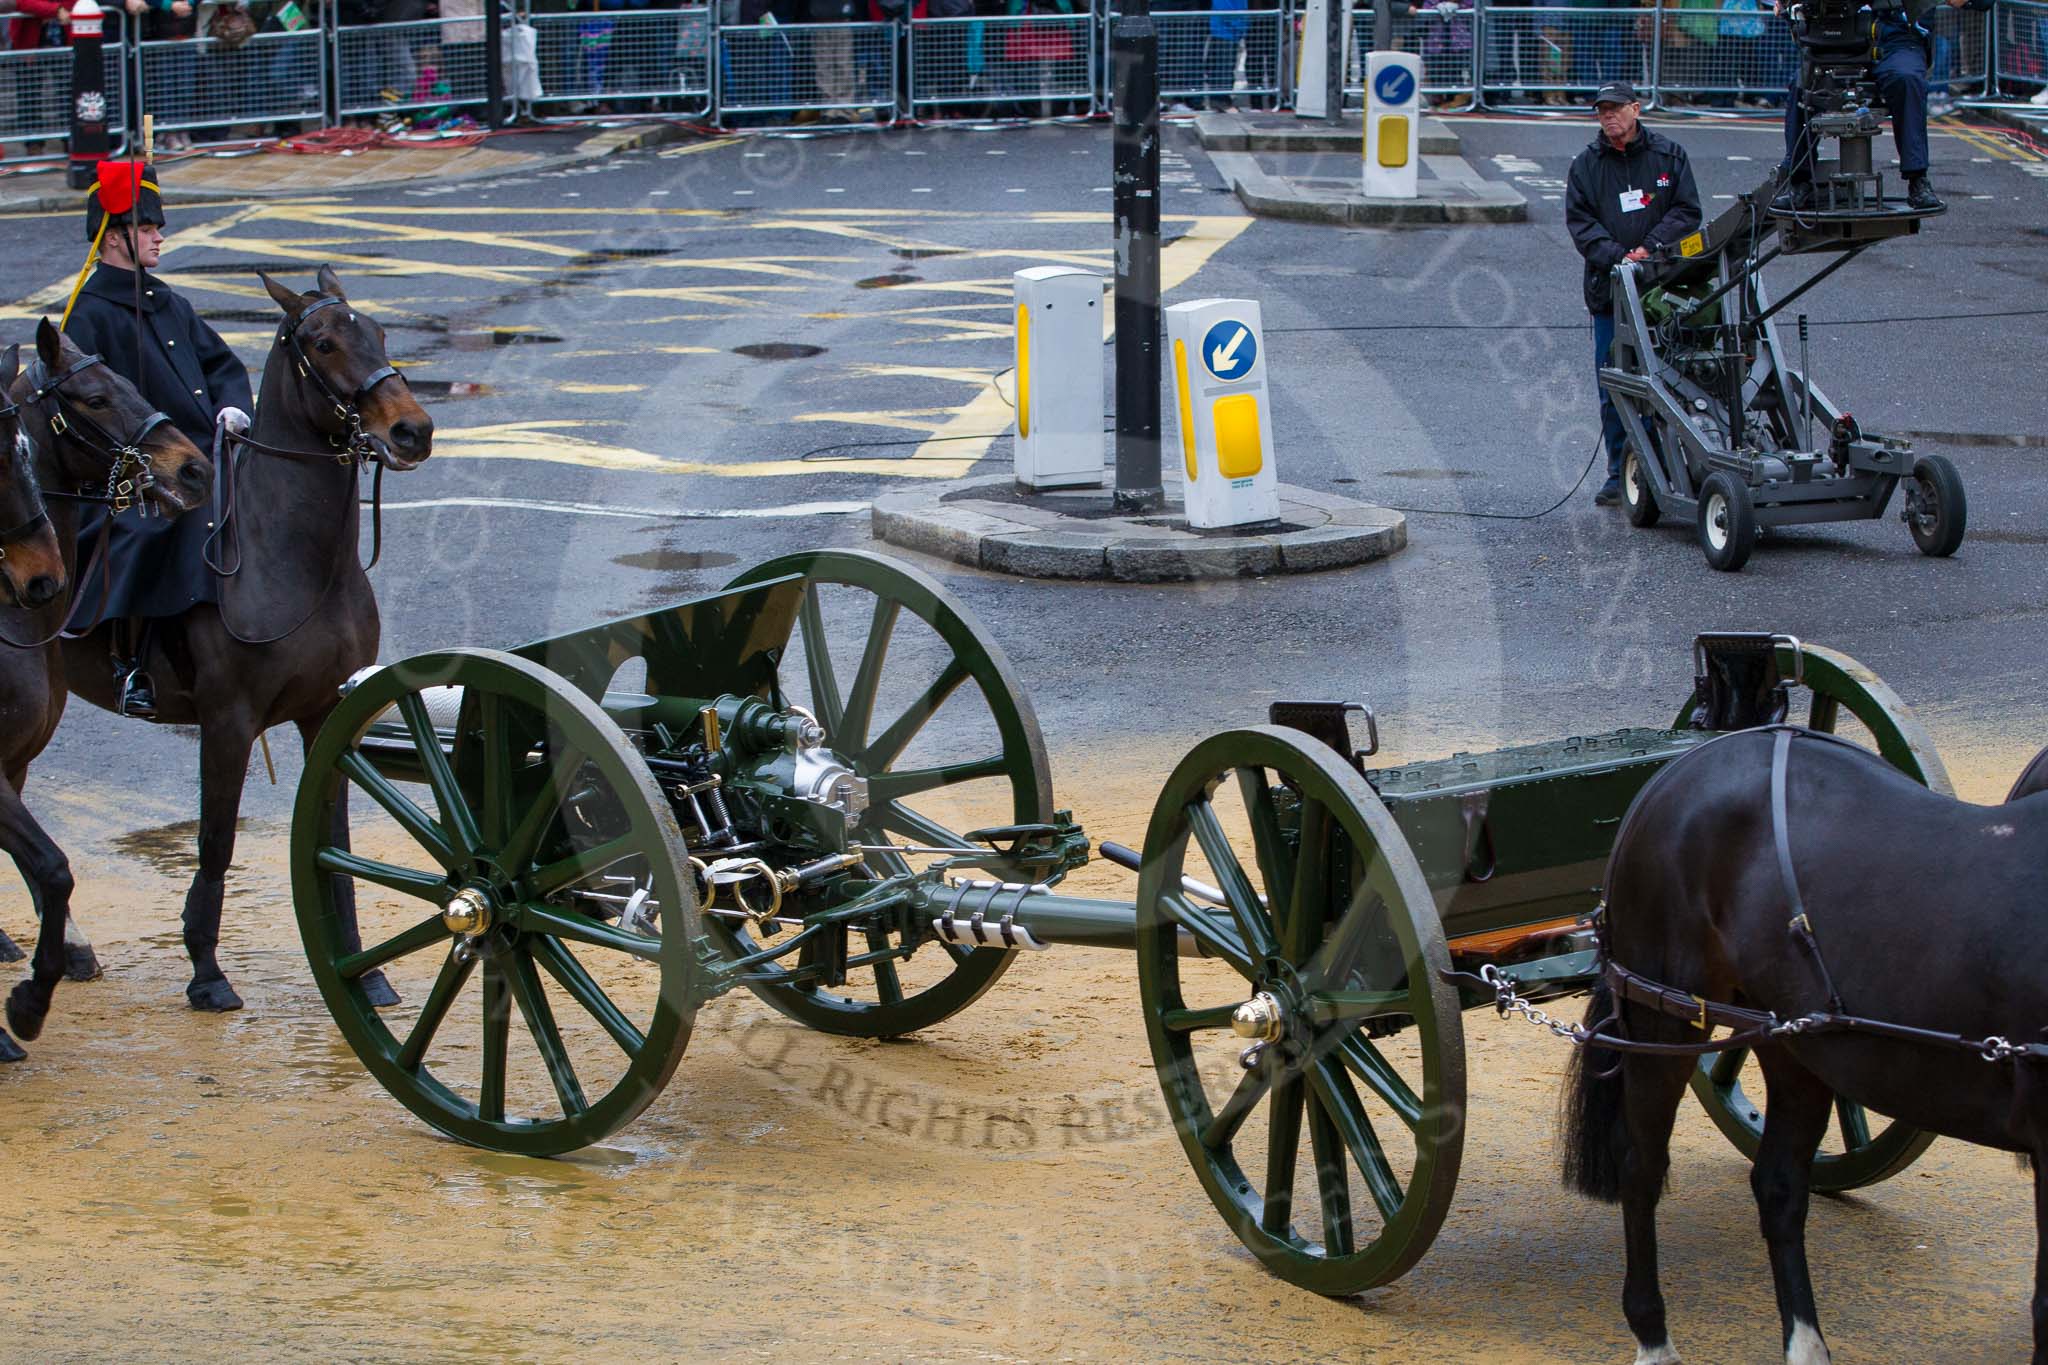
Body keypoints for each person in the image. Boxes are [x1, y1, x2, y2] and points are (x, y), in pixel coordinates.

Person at [59, 160, 252, 718]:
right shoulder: (88, 316)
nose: (160, 237)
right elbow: (82, 412)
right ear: (115, 237)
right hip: (132, 474)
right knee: (149, 533)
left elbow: (221, 365)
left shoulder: (171, 302)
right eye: (147, 228)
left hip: (207, 454)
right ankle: (129, 661)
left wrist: (233, 406)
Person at [1564, 81, 1701, 508]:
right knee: (1615, 387)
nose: (1608, 117)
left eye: (1615, 109)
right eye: (1602, 110)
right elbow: (1581, 224)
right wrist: (1619, 257)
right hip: (1610, 293)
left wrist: (1650, 251)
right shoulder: (1586, 166)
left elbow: (1688, 211)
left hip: (1664, 288)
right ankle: (1618, 473)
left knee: (1669, 381)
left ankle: (1672, 466)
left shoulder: (1669, 156)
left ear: (1636, 109)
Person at [1773, 0, 1990, 213]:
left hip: (1895, 37)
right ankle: (1798, 180)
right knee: (1802, 85)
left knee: (1906, 79)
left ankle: (1917, 180)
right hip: (1835, 36)